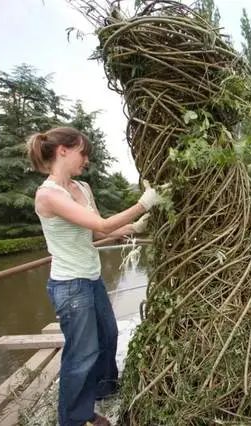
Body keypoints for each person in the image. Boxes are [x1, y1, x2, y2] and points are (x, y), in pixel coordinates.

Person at [27, 127, 159, 426]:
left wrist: (135, 227)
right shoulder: (49, 195)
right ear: (63, 150)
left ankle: (103, 390)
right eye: (82, 153)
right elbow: (100, 221)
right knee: (82, 354)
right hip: (70, 285)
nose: (86, 160)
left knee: (109, 336)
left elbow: (100, 230)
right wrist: (143, 203)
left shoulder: (82, 187)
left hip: (91, 277)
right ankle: (75, 418)